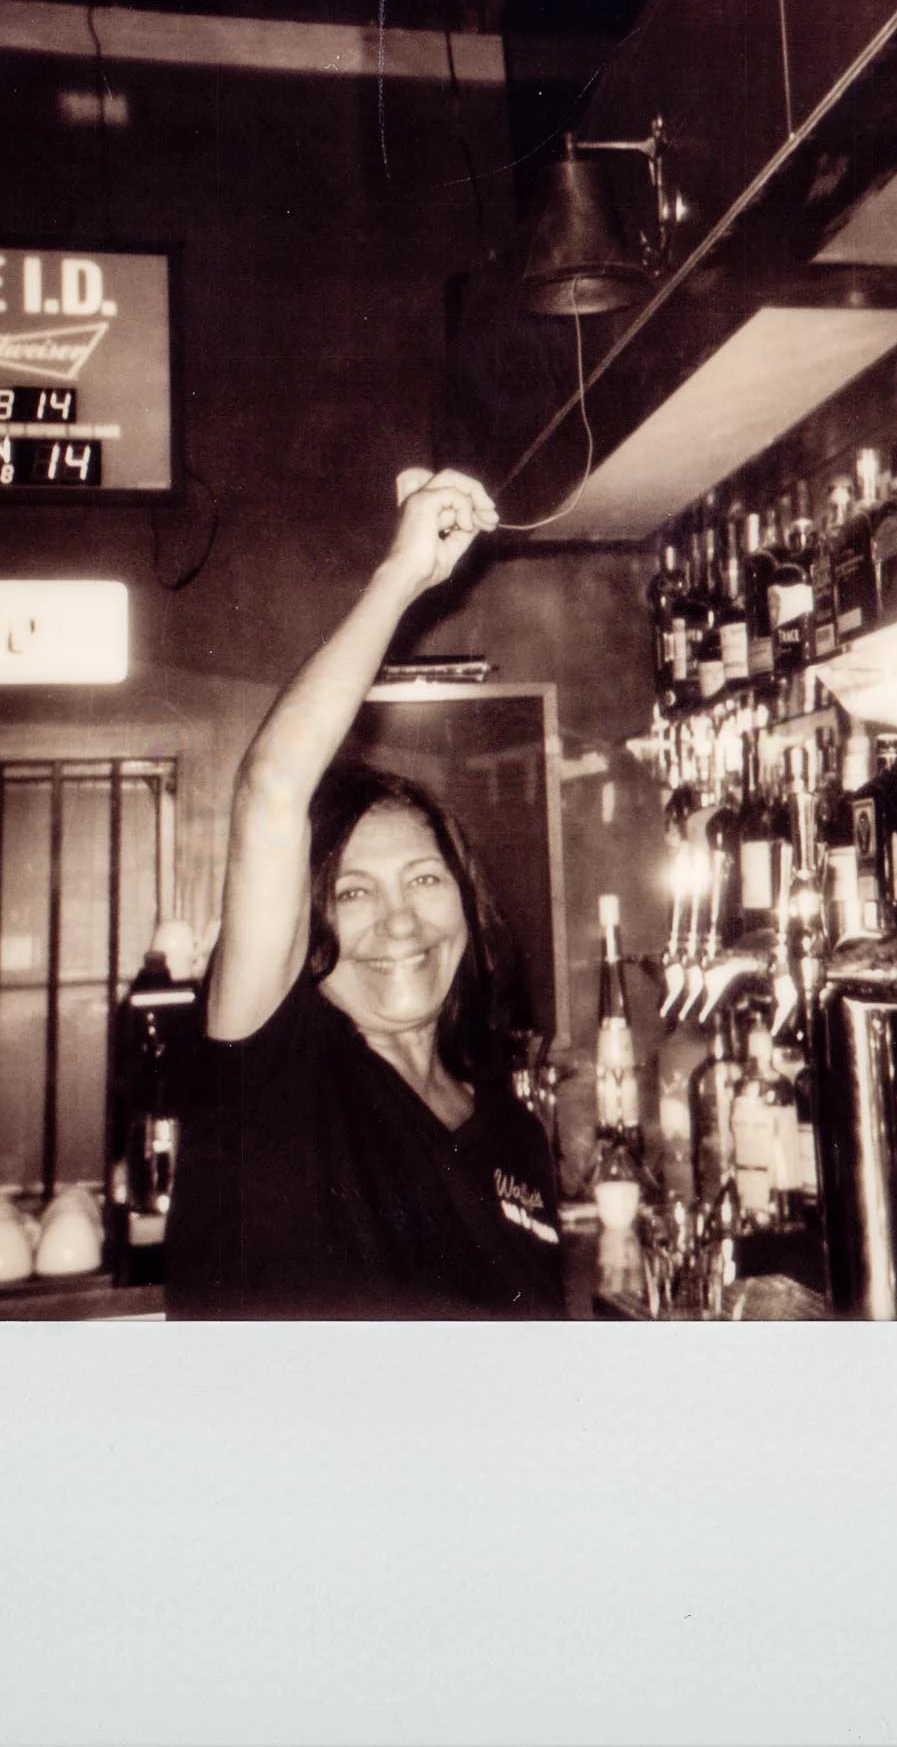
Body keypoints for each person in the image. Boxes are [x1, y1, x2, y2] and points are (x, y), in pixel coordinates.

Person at [163, 468, 566, 1319]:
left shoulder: (513, 1133)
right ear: (308, 923)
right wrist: (403, 577)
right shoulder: (275, 1080)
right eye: (352, 893)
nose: (401, 923)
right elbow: (272, 786)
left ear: (467, 903)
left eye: (423, 878)